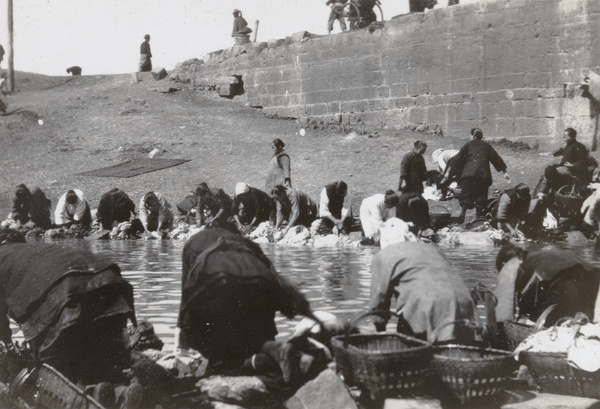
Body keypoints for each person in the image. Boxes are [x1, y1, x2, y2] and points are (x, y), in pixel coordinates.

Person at [175, 223, 314, 377]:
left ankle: (228, 362)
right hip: (260, 281)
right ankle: (272, 351)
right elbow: (275, 282)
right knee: (256, 330)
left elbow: (186, 299)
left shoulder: (193, 243)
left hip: (218, 280)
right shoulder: (248, 245)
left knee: (211, 337)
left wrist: (181, 348)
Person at [0, 229, 137, 386]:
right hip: (111, 281)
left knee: (56, 372)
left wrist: (9, 351)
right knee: (106, 360)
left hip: (67, 294)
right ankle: (119, 391)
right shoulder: (38, 250)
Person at [369, 242, 478, 343]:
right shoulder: (433, 249)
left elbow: (379, 298)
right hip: (464, 300)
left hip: (426, 303)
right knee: (455, 349)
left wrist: (380, 332)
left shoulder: (383, 255)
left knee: (416, 351)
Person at [493, 244, 600, 326]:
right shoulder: (540, 256)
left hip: (566, 282)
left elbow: (526, 302)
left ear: (504, 264)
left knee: (538, 321)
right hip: (594, 279)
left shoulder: (518, 265)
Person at [444, 128, 510, 223]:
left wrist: (448, 173)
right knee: (481, 197)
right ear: (481, 136)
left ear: (472, 136)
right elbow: (496, 158)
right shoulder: (487, 146)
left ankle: (462, 213)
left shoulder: (468, 144)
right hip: (483, 176)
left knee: (466, 195)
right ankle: (478, 217)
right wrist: (505, 172)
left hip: (469, 175)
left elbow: (457, 159)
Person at [538, 128, 590, 194]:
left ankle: (544, 192)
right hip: (565, 168)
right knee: (548, 172)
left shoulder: (579, 147)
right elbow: (558, 154)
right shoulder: (568, 146)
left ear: (573, 137)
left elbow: (583, 161)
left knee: (550, 172)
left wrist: (573, 165)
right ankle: (542, 193)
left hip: (573, 171)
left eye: (566, 137)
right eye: (563, 137)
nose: (564, 139)